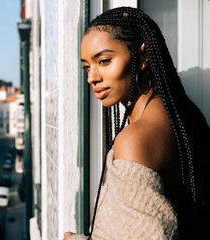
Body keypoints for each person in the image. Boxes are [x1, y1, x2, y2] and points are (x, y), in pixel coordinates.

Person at [64, 7, 210, 240]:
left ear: (143, 57)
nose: (92, 77)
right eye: (87, 66)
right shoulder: (180, 114)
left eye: (103, 61)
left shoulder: (135, 139)